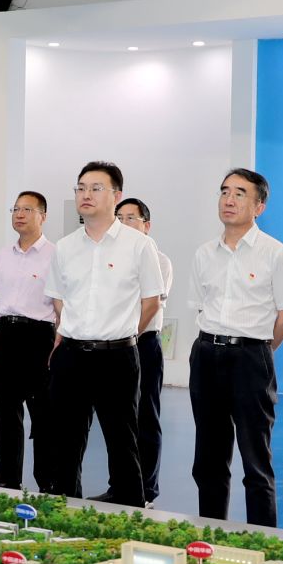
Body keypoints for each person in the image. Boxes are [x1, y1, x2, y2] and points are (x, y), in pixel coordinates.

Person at [42, 162, 164, 504]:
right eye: (81, 188)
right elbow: (58, 298)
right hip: (71, 356)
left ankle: (130, 513)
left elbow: (151, 302)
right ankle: (65, 514)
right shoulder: (65, 247)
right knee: (65, 445)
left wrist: (124, 334)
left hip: (118, 357)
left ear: (116, 195)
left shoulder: (138, 245)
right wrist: (73, 329)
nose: (86, 194)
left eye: (96, 188)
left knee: (123, 443)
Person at [187, 168, 283, 526]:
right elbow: (200, 307)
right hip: (206, 355)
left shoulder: (276, 253)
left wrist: (259, 351)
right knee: (208, 459)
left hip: (251, 358)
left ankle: (263, 539)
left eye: (239, 193)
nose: (229, 199)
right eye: (224, 191)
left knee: (256, 461)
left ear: (259, 206)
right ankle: (211, 532)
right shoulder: (204, 253)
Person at [0, 191, 55, 491]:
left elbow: (62, 303)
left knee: (43, 413)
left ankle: (47, 480)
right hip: (6, 335)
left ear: (42, 216)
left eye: (27, 209)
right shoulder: (2, 256)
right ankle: (8, 476)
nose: (19, 214)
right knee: (7, 411)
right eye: (16, 209)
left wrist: (59, 342)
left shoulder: (55, 255)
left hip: (40, 337)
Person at [115, 196, 172, 504]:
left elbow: (150, 305)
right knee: (118, 420)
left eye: (130, 218)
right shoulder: (112, 259)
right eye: (119, 218)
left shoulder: (160, 260)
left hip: (143, 343)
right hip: (116, 346)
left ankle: (147, 490)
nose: (123, 224)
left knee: (146, 418)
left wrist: (129, 334)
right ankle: (120, 486)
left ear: (146, 226)